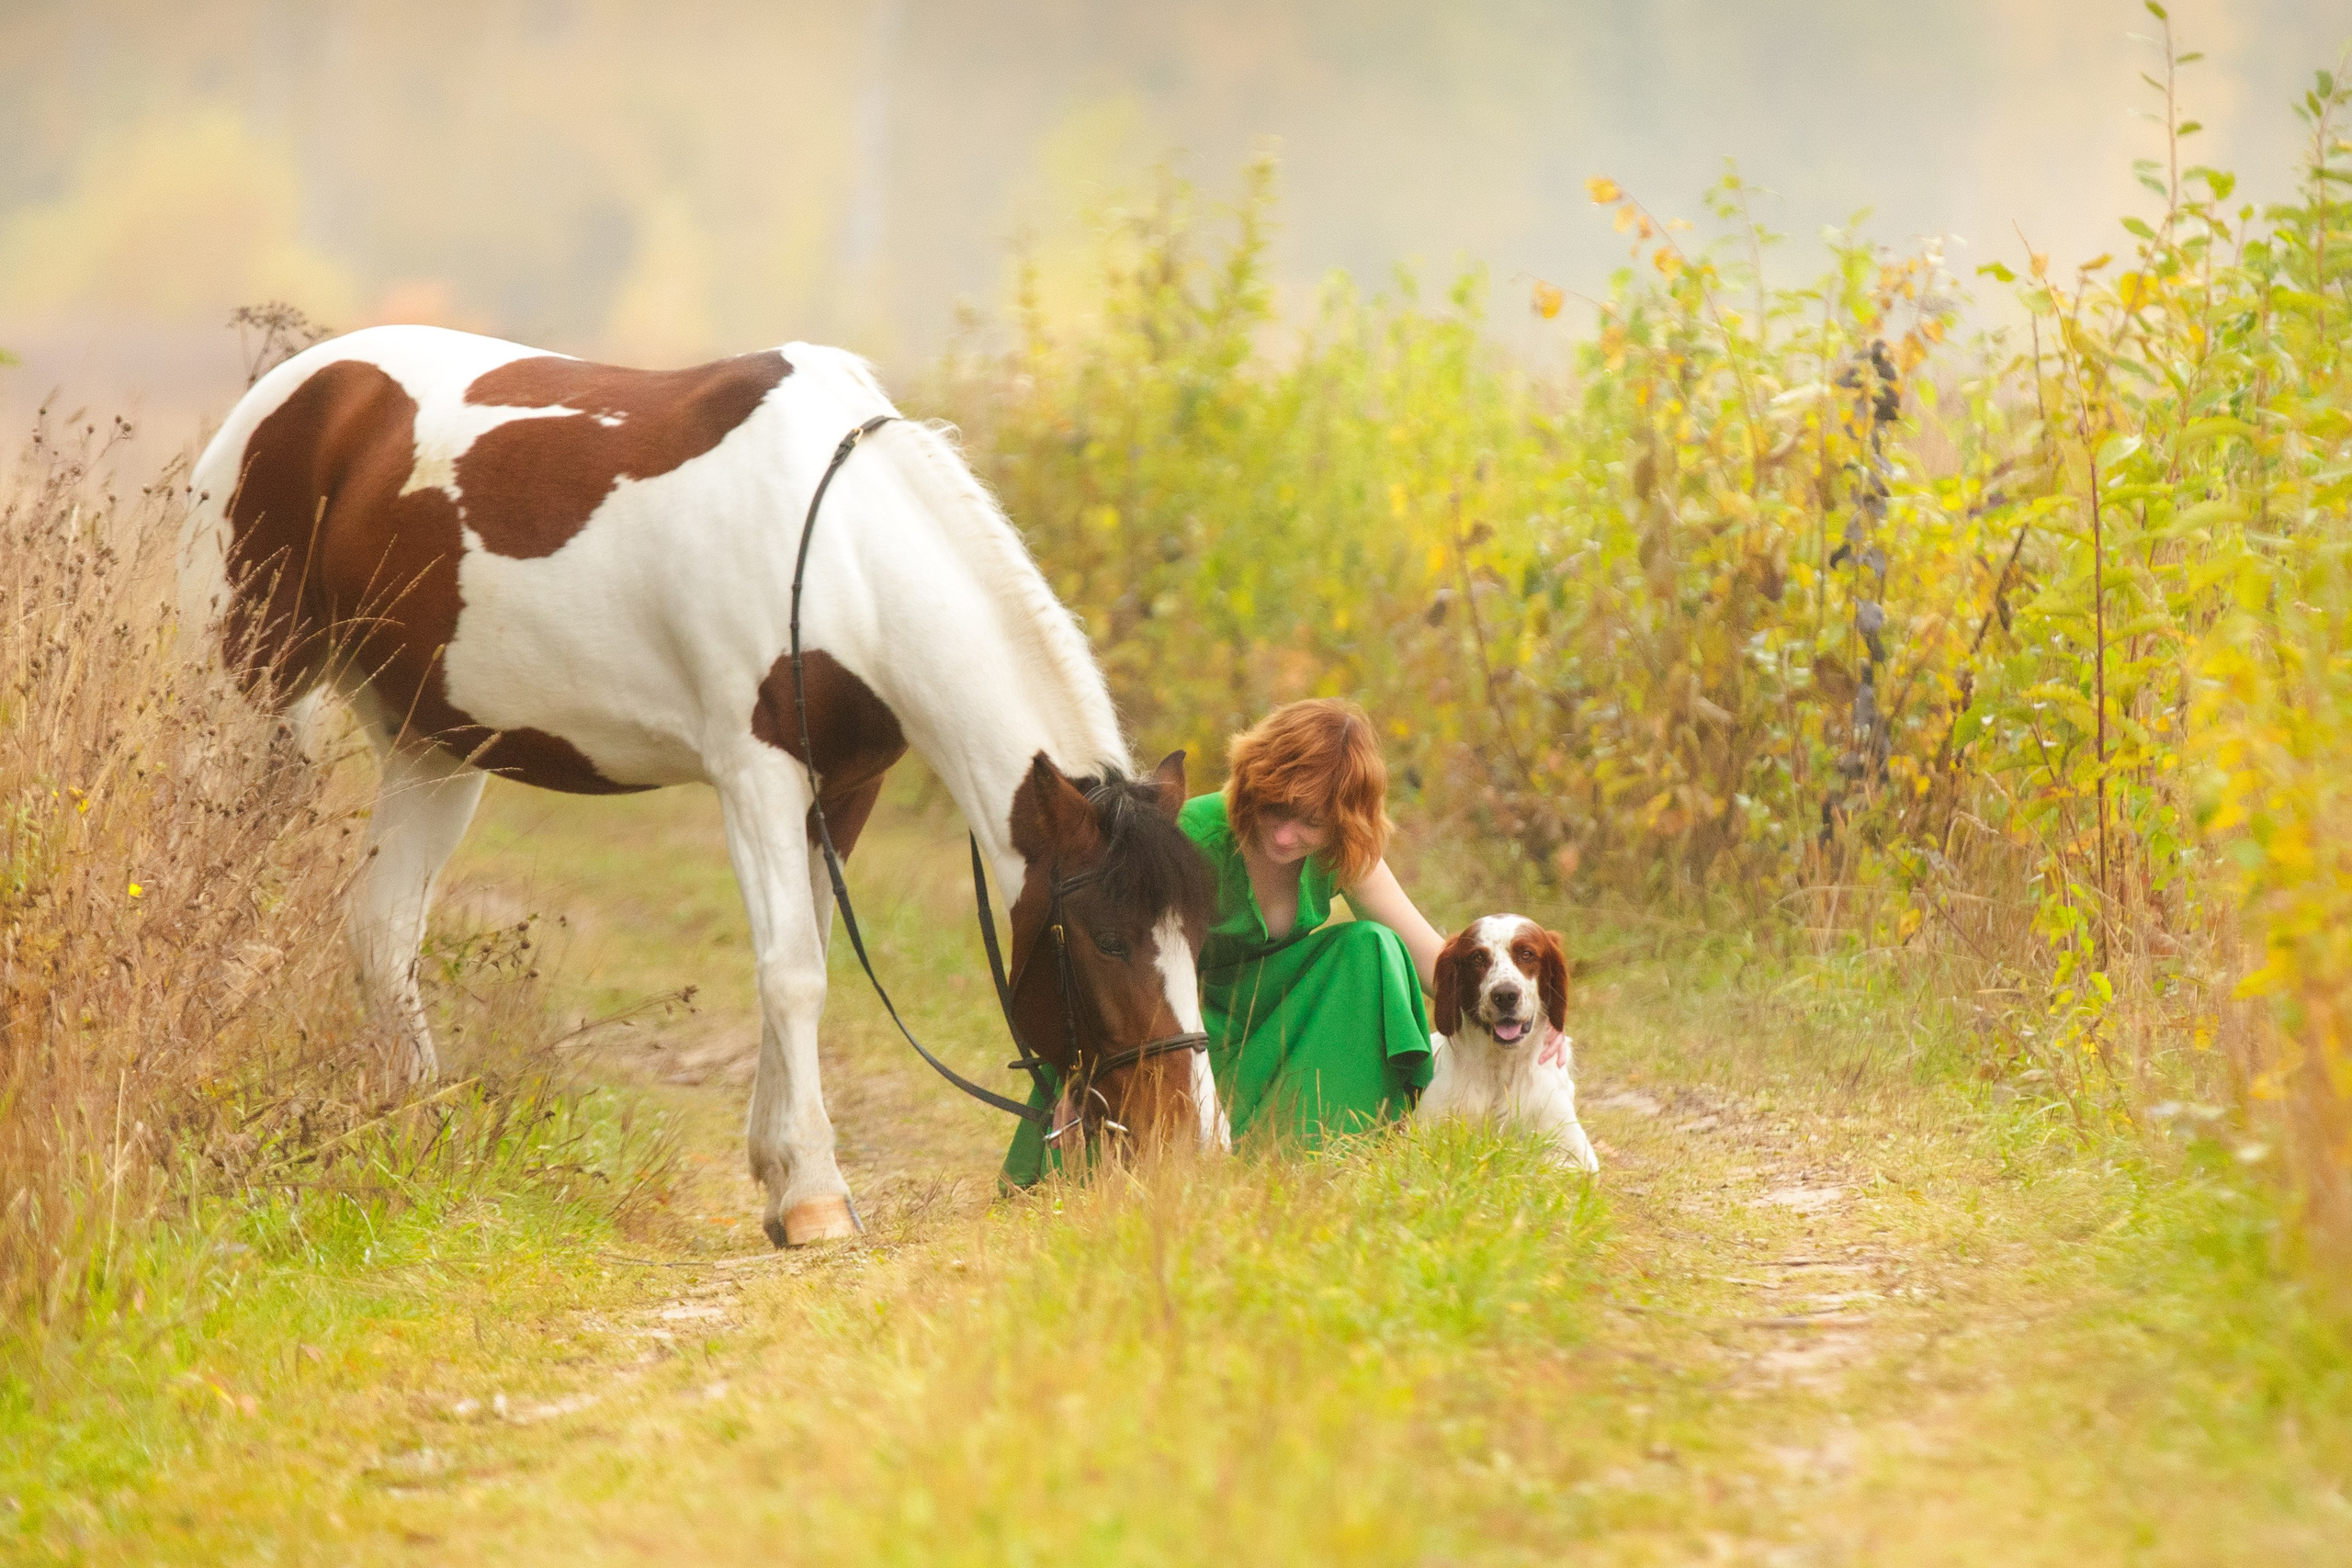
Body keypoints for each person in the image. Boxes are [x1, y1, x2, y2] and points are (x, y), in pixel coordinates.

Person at [1002, 698, 1445, 1186]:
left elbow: (1432, 962)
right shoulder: (1186, 836)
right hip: (1172, 1040)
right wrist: (1076, 1069)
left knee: (1371, 949)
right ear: (1254, 783)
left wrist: (1539, 1012)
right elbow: (1110, 968)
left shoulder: (1346, 851)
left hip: (1273, 1028)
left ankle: (1314, 1148)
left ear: (1344, 821)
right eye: (1275, 809)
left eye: (1310, 823)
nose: (1283, 836)